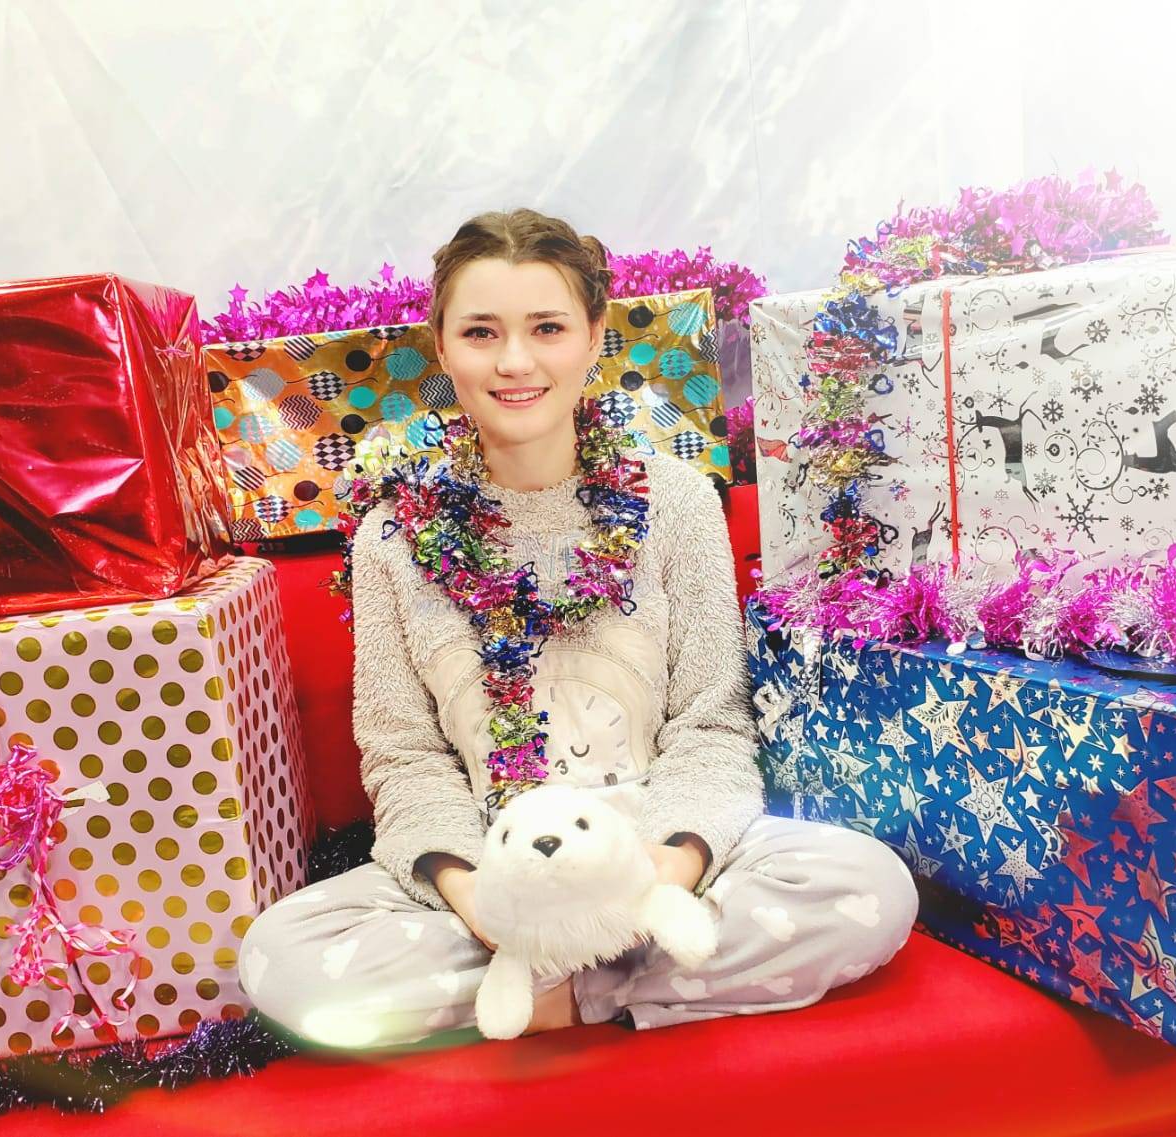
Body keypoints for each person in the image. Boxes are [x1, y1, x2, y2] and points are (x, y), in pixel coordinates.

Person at [237, 208, 917, 1048]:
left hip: (654, 859)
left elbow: (710, 724)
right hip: (494, 868)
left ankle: (561, 990)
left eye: (547, 328)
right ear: (442, 347)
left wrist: (663, 874)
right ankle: (584, 973)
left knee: (869, 888)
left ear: (594, 336)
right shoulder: (391, 536)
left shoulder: (675, 501)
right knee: (281, 960)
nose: (515, 361)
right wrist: (480, 902)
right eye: (481, 332)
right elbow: (404, 757)